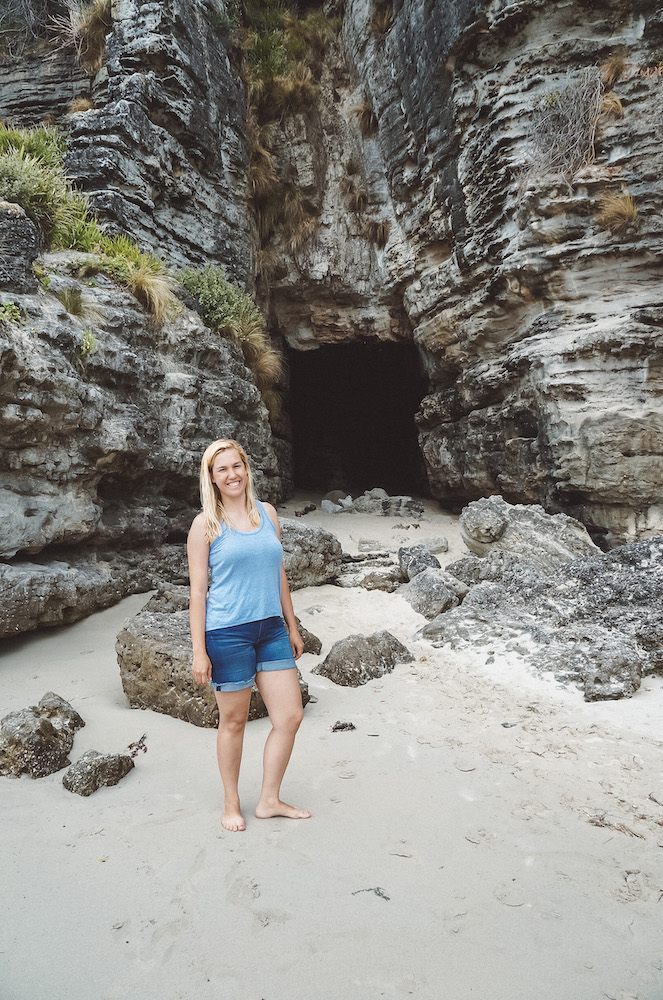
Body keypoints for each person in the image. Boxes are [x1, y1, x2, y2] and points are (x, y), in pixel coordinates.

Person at [187, 438, 311, 832]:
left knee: (289, 715)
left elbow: (278, 574)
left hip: (271, 628)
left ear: (246, 468)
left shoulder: (267, 513)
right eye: (221, 469)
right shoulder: (204, 525)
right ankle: (231, 802)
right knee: (235, 722)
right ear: (212, 478)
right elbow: (198, 592)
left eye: (236, 465)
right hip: (227, 634)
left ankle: (270, 799)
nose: (232, 474)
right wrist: (198, 652)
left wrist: (292, 626)